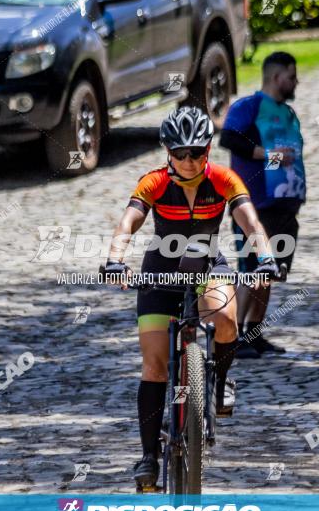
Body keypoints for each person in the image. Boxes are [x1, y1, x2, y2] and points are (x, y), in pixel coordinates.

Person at [102, 107, 281, 489]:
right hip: (159, 270)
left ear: (208, 149)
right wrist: (115, 259)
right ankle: (148, 458)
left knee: (227, 319)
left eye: (197, 152)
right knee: (154, 366)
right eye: (180, 153)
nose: (188, 160)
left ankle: (219, 384)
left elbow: (251, 222)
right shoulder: (153, 182)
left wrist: (265, 258)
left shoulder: (224, 178)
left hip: (206, 265)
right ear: (168, 151)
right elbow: (127, 222)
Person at [219, 51, 305, 358]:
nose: (296, 82)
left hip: (285, 206)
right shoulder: (248, 106)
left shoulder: (289, 113)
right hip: (254, 205)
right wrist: (268, 155)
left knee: (270, 272)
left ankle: (254, 333)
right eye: (292, 76)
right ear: (275, 77)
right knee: (251, 270)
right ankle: (231, 338)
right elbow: (228, 139)